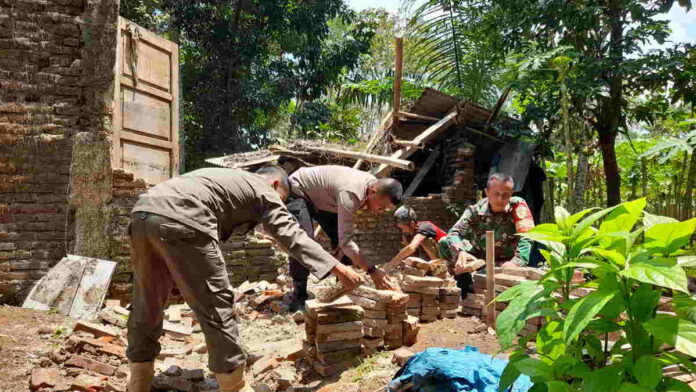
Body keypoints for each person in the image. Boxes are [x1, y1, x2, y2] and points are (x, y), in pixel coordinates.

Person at [126, 166, 363, 392]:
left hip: (143, 213)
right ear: (276, 183)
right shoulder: (263, 189)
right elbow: (291, 235)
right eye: (283, 198)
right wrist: (338, 268)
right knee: (216, 305)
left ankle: (139, 380)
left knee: (147, 302)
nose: (281, 205)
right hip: (184, 216)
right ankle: (234, 385)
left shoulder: (228, 179)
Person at [285, 165, 403, 310]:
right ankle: (299, 295)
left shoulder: (370, 186)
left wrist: (343, 247)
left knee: (344, 246)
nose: (380, 212)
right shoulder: (350, 193)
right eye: (381, 207)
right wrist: (372, 271)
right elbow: (346, 241)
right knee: (304, 241)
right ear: (373, 192)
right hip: (299, 190)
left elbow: (344, 241)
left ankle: (342, 291)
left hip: (325, 198)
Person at [439, 173, 535, 294]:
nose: (500, 199)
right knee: (444, 243)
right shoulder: (475, 210)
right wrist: (461, 251)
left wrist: (516, 262)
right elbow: (453, 233)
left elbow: (527, 236)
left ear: (512, 194)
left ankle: (478, 282)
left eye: (506, 195)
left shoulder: (517, 206)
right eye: (496, 194)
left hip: (505, 261)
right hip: (478, 258)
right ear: (487, 192)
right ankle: (464, 284)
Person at [383, 206, 448, 270]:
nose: (403, 231)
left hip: (447, 257)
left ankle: (438, 268)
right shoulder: (409, 233)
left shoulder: (424, 227)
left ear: (412, 224)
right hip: (433, 257)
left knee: (425, 241)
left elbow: (411, 248)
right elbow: (411, 253)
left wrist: (393, 262)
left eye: (403, 228)